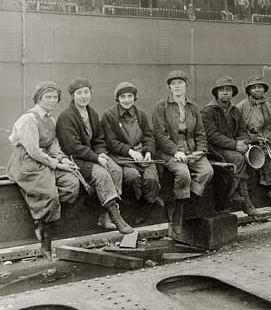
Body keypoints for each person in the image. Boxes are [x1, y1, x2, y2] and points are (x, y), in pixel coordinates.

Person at [7, 81, 80, 259]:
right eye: (48, 97)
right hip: (27, 163)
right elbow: (33, 151)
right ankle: (45, 239)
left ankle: (43, 218)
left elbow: (53, 145)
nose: (52, 100)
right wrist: (57, 164)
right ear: (39, 98)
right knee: (50, 194)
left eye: (55, 97)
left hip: (45, 159)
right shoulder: (28, 119)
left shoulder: (50, 119)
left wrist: (63, 160)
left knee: (72, 184)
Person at [56, 78, 133, 234]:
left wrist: (102, 154)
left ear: (91, 93)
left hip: (92, 156)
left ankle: (105, 216)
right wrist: (97, 159)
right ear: (72, 95)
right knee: (102, 175)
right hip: (76, 159)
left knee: (116, 169)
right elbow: (73, 147)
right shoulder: (66, 117)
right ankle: (117, 218)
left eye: (86, 92)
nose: (83, 96)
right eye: (79, 93)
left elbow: (99, 139)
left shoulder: (92, 113)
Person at [153, 70, 214, 234]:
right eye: (173, 84)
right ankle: (179, 210)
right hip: (170, 150)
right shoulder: (161, 106)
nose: (177, 86)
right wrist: (174, 151)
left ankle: (188, 203)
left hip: (192, 148)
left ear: (186, 84)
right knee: (183, 174)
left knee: (207, 171)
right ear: (169, 88)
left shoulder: (193, 107)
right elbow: (160, 134)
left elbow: (201, 132)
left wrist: (201, 150)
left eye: (180, 83)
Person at [101, 82, 164, 225]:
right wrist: (129, 151)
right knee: (132, 177)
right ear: (117, 98)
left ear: (134, 97)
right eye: (123, 96)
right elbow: (111, 141)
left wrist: (148, 152)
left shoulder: (140, 114)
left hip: (142, 154)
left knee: (151, 179)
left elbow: (148, 136)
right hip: (122, 156)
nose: (127, 99)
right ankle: (133, 207)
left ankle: (147, 205)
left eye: (130, 96)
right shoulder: (109, 115)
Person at [201, 76, 262, 216]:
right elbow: (212, 135)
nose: (225, 93)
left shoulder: (235, 110)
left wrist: (244, 143)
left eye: (228, 90)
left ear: (232, 93)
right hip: (215, 148)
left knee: (252, 159)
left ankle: (240, 195)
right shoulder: (208, 111)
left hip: (233, 146)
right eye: (221, 90)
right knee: (238, 159)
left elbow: (242, 130)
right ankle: (237, 197)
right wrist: (235, 145)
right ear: (216, 93)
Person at [237, 75, 271, 202]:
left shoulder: (267, 105)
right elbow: (239, 130)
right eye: (254, 88)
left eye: (260, 87)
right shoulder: (241, 107)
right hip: (252, 141)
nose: (257, 90)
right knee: (266, 157)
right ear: (249, 90)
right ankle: (265, 188)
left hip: (268, 140)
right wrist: (254, 138)